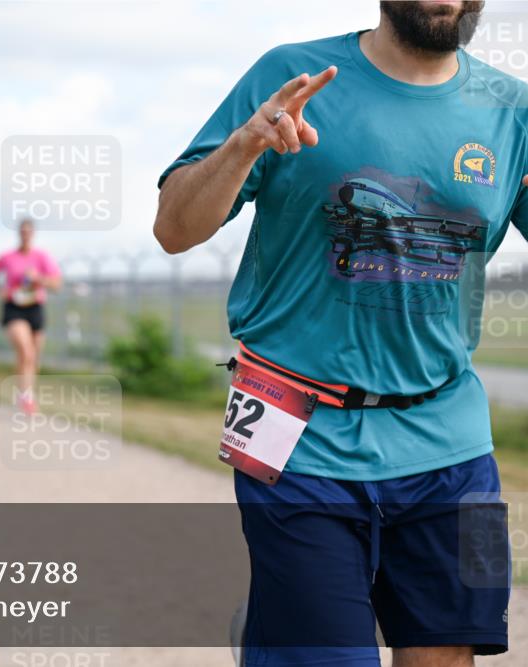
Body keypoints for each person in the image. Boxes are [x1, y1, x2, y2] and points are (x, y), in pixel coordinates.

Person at [154, 2, 525, 665]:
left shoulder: (513, 110)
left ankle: (275, 629)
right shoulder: (292, 74)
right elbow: (173, 229)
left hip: (452, 443)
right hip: (295, 431)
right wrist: (244, 145)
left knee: (446, 656)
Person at [0, 218, 62, 414]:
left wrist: (39, 279)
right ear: (19, 233)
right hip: (14, 307)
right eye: (23, 231)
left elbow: (57, 284)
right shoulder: (8, 257)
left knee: (33, 357)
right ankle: (26, 396)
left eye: (29, 231)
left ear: (33, 233)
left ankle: (26, 392)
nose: (26, 235)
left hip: (35, 306)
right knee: (26, 350)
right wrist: (1, 290)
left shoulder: (42, 257)